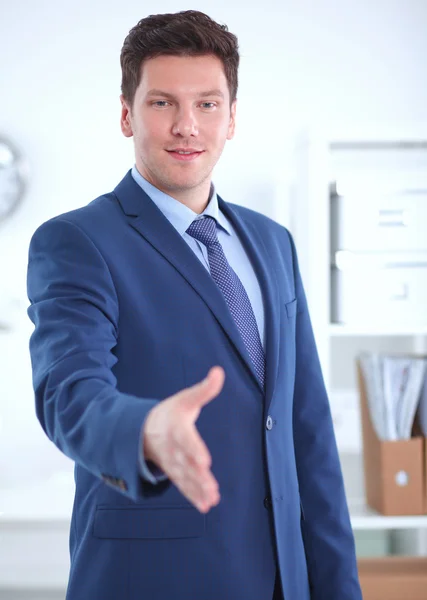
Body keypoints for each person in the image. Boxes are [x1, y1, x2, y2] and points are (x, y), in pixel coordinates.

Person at [27, 10, 362, 600]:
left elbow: (307, 429)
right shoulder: (78, 242)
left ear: (232, 118)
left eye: (207, 104)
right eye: (162, 104)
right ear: (127, 114)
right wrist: (145, 431)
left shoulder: (272, 242)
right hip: (157, 581)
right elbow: (67, 392)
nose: (187, 125)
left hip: (288, 578)